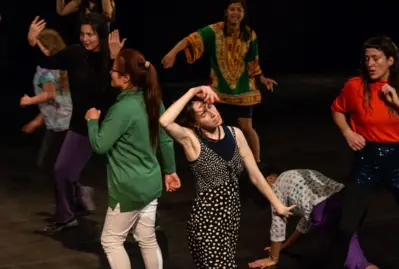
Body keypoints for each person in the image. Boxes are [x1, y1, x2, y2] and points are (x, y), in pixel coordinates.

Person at [158, 86, 294, 268]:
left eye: (210, 106)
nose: (213, 113)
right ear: (195, 123)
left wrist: (277, 204)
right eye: (203, 113)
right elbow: (165, 121)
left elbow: (255, 175)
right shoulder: (191, 139)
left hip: (231, 217)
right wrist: (193, 91)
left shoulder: (234, 133)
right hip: (207, 220)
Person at [328, 36, 399, 269]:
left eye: (376, 58)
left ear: (390, 60)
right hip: (367, 159)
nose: (370, 64)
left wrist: (397, 102)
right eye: (367, 59)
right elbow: (337, 110)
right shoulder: (354, 86)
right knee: (346, 225)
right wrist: (347, 132)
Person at [85, 48, 180, 269]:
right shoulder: (153, 101)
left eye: (114, 70)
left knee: (111, 240)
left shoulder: (123, 109)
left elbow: (100, 145)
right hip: (150, 183)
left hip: (129, 188)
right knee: (147, 238)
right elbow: (165, 140)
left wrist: (92, 121)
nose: (110, 73)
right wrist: (170, 170)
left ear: (126, 78)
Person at [27, 13, 122, 233]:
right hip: (81, 124)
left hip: (109, 124)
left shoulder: (111, 58)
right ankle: (66, 216)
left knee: (125, 177)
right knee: (62, 170)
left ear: (101, 35)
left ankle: (144, 221)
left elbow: (111, 95)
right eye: (83, 34)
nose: (86, 38)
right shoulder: (75, 53)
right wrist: (33, 42)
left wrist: (116, 61)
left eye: (91, 34)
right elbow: (47, 62)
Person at [161, 0, 277, 164]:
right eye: (232, 9)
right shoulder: (214, 31)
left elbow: (253, 62)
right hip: (219, 89)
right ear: (226, 12)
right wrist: (173, 53)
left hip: (244, 89)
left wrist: (262, 78)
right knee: (216, 127)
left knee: (246, 127)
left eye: (239, 10)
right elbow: (191, 40)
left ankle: (257, 163)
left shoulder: (249, 34)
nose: (235, 13)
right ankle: (218, 162)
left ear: (243, 15)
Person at [248, 168, 379, 269]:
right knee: (351, 255)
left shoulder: (276, 188)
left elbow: (278, 224)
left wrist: (273, 258)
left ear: (270, 178)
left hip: (327, 211)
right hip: (350, 200)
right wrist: (285, 245)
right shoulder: (296, 174)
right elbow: (306, 221)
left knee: (356, 262)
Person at [20, 29, 72, 174]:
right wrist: (38, 120)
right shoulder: (57, 67)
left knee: (49, 164)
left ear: (48, 50)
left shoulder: (47, 70)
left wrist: (29, 100)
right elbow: (55, 102)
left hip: (61, 123)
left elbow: (50, 95)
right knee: (50, 163)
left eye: (39, 46)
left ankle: (75, 190)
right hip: (60, 121)